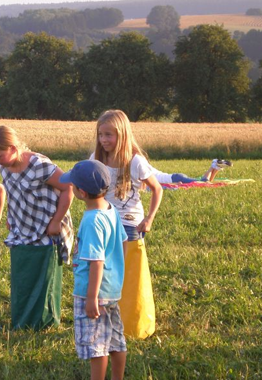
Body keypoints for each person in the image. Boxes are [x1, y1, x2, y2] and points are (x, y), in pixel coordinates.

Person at [0, 125, 74, 330]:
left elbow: (68, 188)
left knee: (43, 278)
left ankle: (43, 323)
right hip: (22, 228)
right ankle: (24, 320)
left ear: (13, 148)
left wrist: (56, 221)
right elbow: (12, 191)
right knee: (23, 276)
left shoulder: (39, 165)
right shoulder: (5, 165)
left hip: (47, 229)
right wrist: (11, 217)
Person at [92, 109, 163, 339]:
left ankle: (131, 323)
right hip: (105, 222)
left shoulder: (135, 162)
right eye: (101, 135)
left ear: (122, 134)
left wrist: (149, 218)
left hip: (129, 226)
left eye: (109, 135)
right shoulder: (98, 158)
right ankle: (106, 319)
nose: (104, 140)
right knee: (105, 273)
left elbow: (157, 188)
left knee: (127, 275)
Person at [60, 160, 127, 380]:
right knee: (116, 340)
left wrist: (91, 298)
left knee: (96, 345)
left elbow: (96, 261)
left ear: (80, 192)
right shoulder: (111, 210)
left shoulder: (91, 220)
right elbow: (123, 242)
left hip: (92, 293)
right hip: (112, 289)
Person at [152, 159, 233, 184]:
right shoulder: (148, 169)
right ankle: (216, 167)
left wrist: (174, 184)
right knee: (208, 182)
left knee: (203, 181)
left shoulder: (146, 174)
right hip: (176, 176)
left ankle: (213, 165)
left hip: (176, 178)